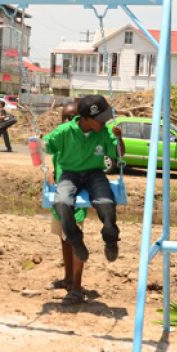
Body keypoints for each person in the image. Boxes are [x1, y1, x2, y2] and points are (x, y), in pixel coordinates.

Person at [44, 94, 124, 264]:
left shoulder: (104, 132)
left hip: (95, 173)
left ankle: (110, 239)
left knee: (106, 203)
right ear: (86, 118)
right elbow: (47, 146)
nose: (104, 123)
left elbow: (118, 154)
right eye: (100, 120)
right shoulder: (64, 131)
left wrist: (119, 138)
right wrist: (37, 144)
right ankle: (75, 239)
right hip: (70, 173)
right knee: (62, 202)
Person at [49, 102, 88, 304]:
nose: (68, 121)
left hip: (76, 201)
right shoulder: (61, 140)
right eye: (64, 118)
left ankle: (77, 288)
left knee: (75, 240)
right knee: (64, 239)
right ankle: (67, 278)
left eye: (72, 116)